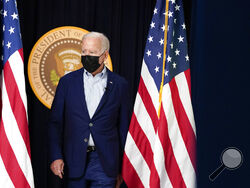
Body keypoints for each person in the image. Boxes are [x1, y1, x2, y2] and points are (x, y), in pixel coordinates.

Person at [48, 31, 130, 188]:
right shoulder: (67, 83)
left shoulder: (120, 85)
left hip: (105, 162)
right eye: (84, 51)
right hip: (73, 160)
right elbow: (55, 123)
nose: (87, 56)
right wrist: (55, 156)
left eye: (92, 52)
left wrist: (123, 167)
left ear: (104, 56)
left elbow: (124, 128)